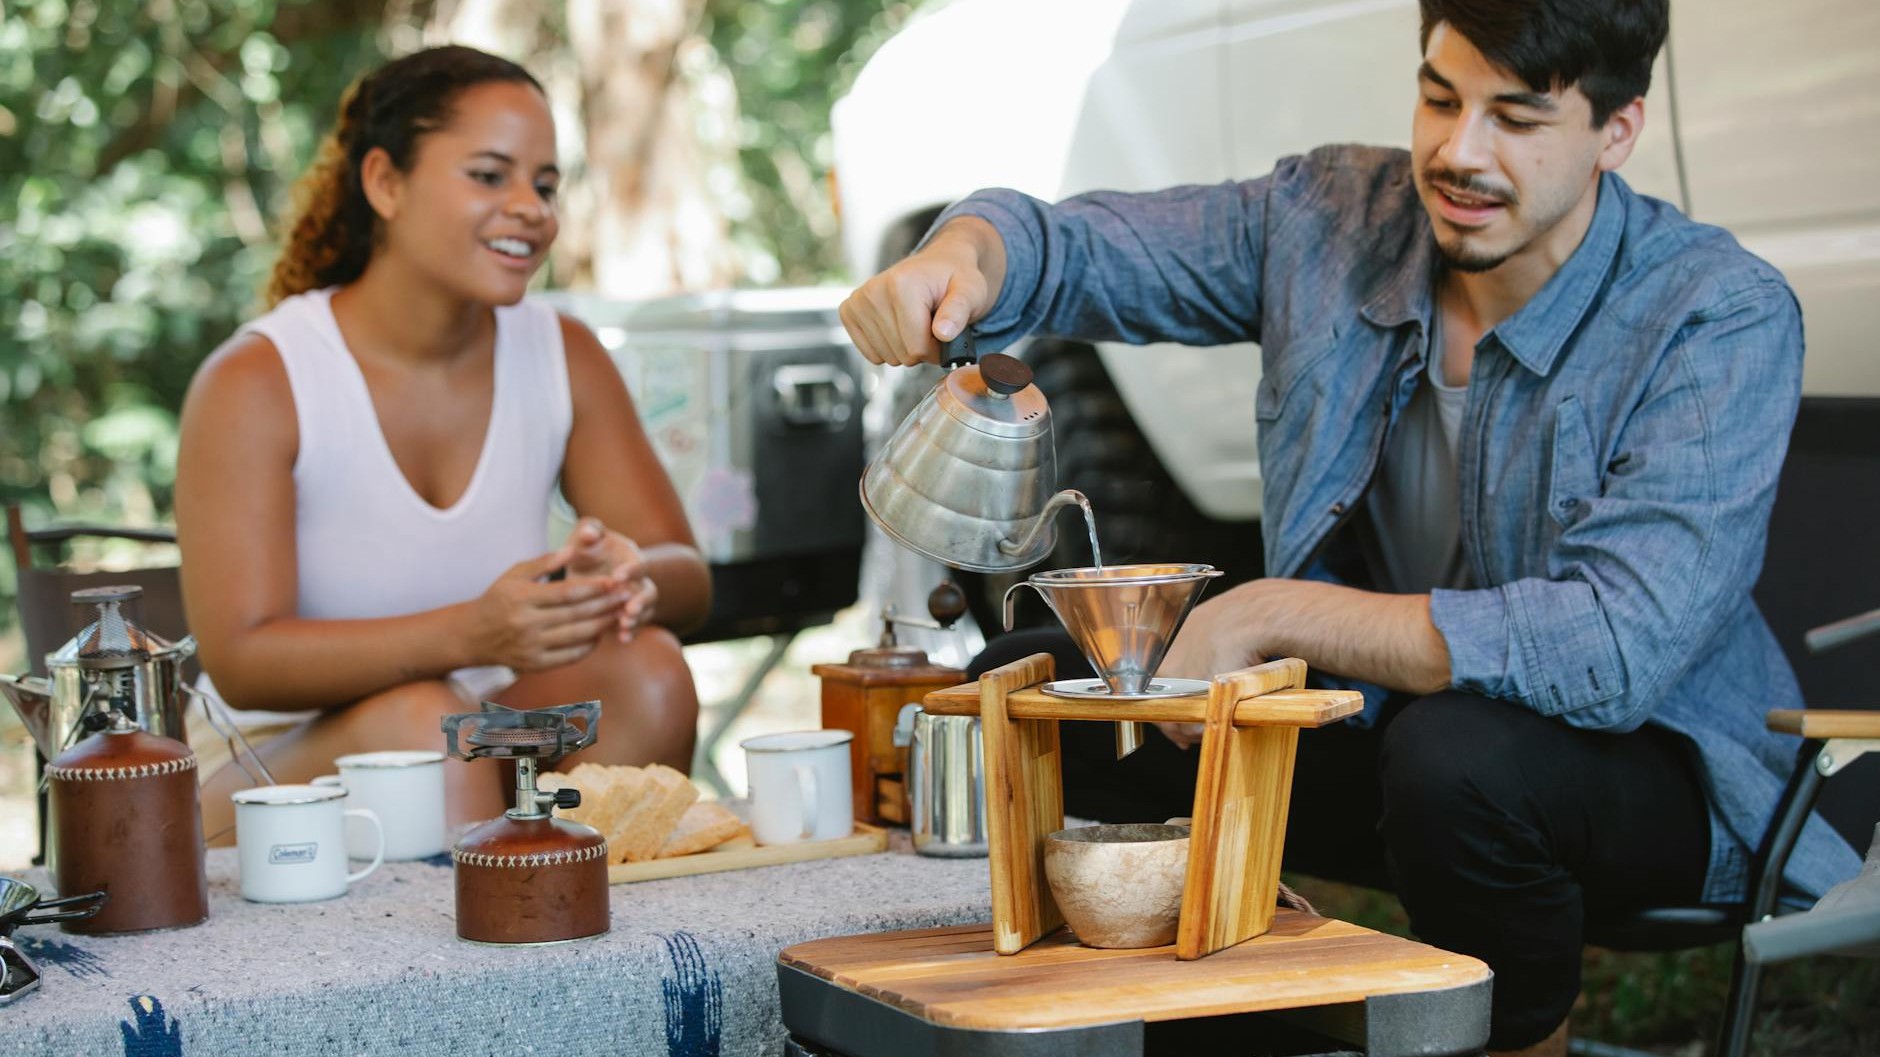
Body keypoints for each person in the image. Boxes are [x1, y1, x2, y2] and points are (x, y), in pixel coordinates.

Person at [840, 1, 1859, 1053]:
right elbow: (1087, 250)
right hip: (1391, 734)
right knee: (1055, 685)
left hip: (1654, 773)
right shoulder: (1330, 216)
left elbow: (1611, 650)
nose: (1457, 152)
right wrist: (960, 254)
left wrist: (1277, 612)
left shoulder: (1713, 312)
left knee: (1457, 757)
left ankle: (1505, 1039)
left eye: (1515, 118)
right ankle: (1206, 1023)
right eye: (1437, 97)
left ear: (1616, 130)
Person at [175, 45, 710, 840]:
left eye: (546, 184)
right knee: (430, 729)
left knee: (651, 673)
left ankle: (600, 946)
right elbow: (243, 659)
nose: (530, 207)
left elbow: (687, 574)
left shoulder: (561, 351)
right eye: (490, 175)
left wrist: (627, 580)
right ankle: (483, 961)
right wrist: (473, 631)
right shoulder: (258, 378)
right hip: (265, 769)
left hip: (475, 734)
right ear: (386, 182)